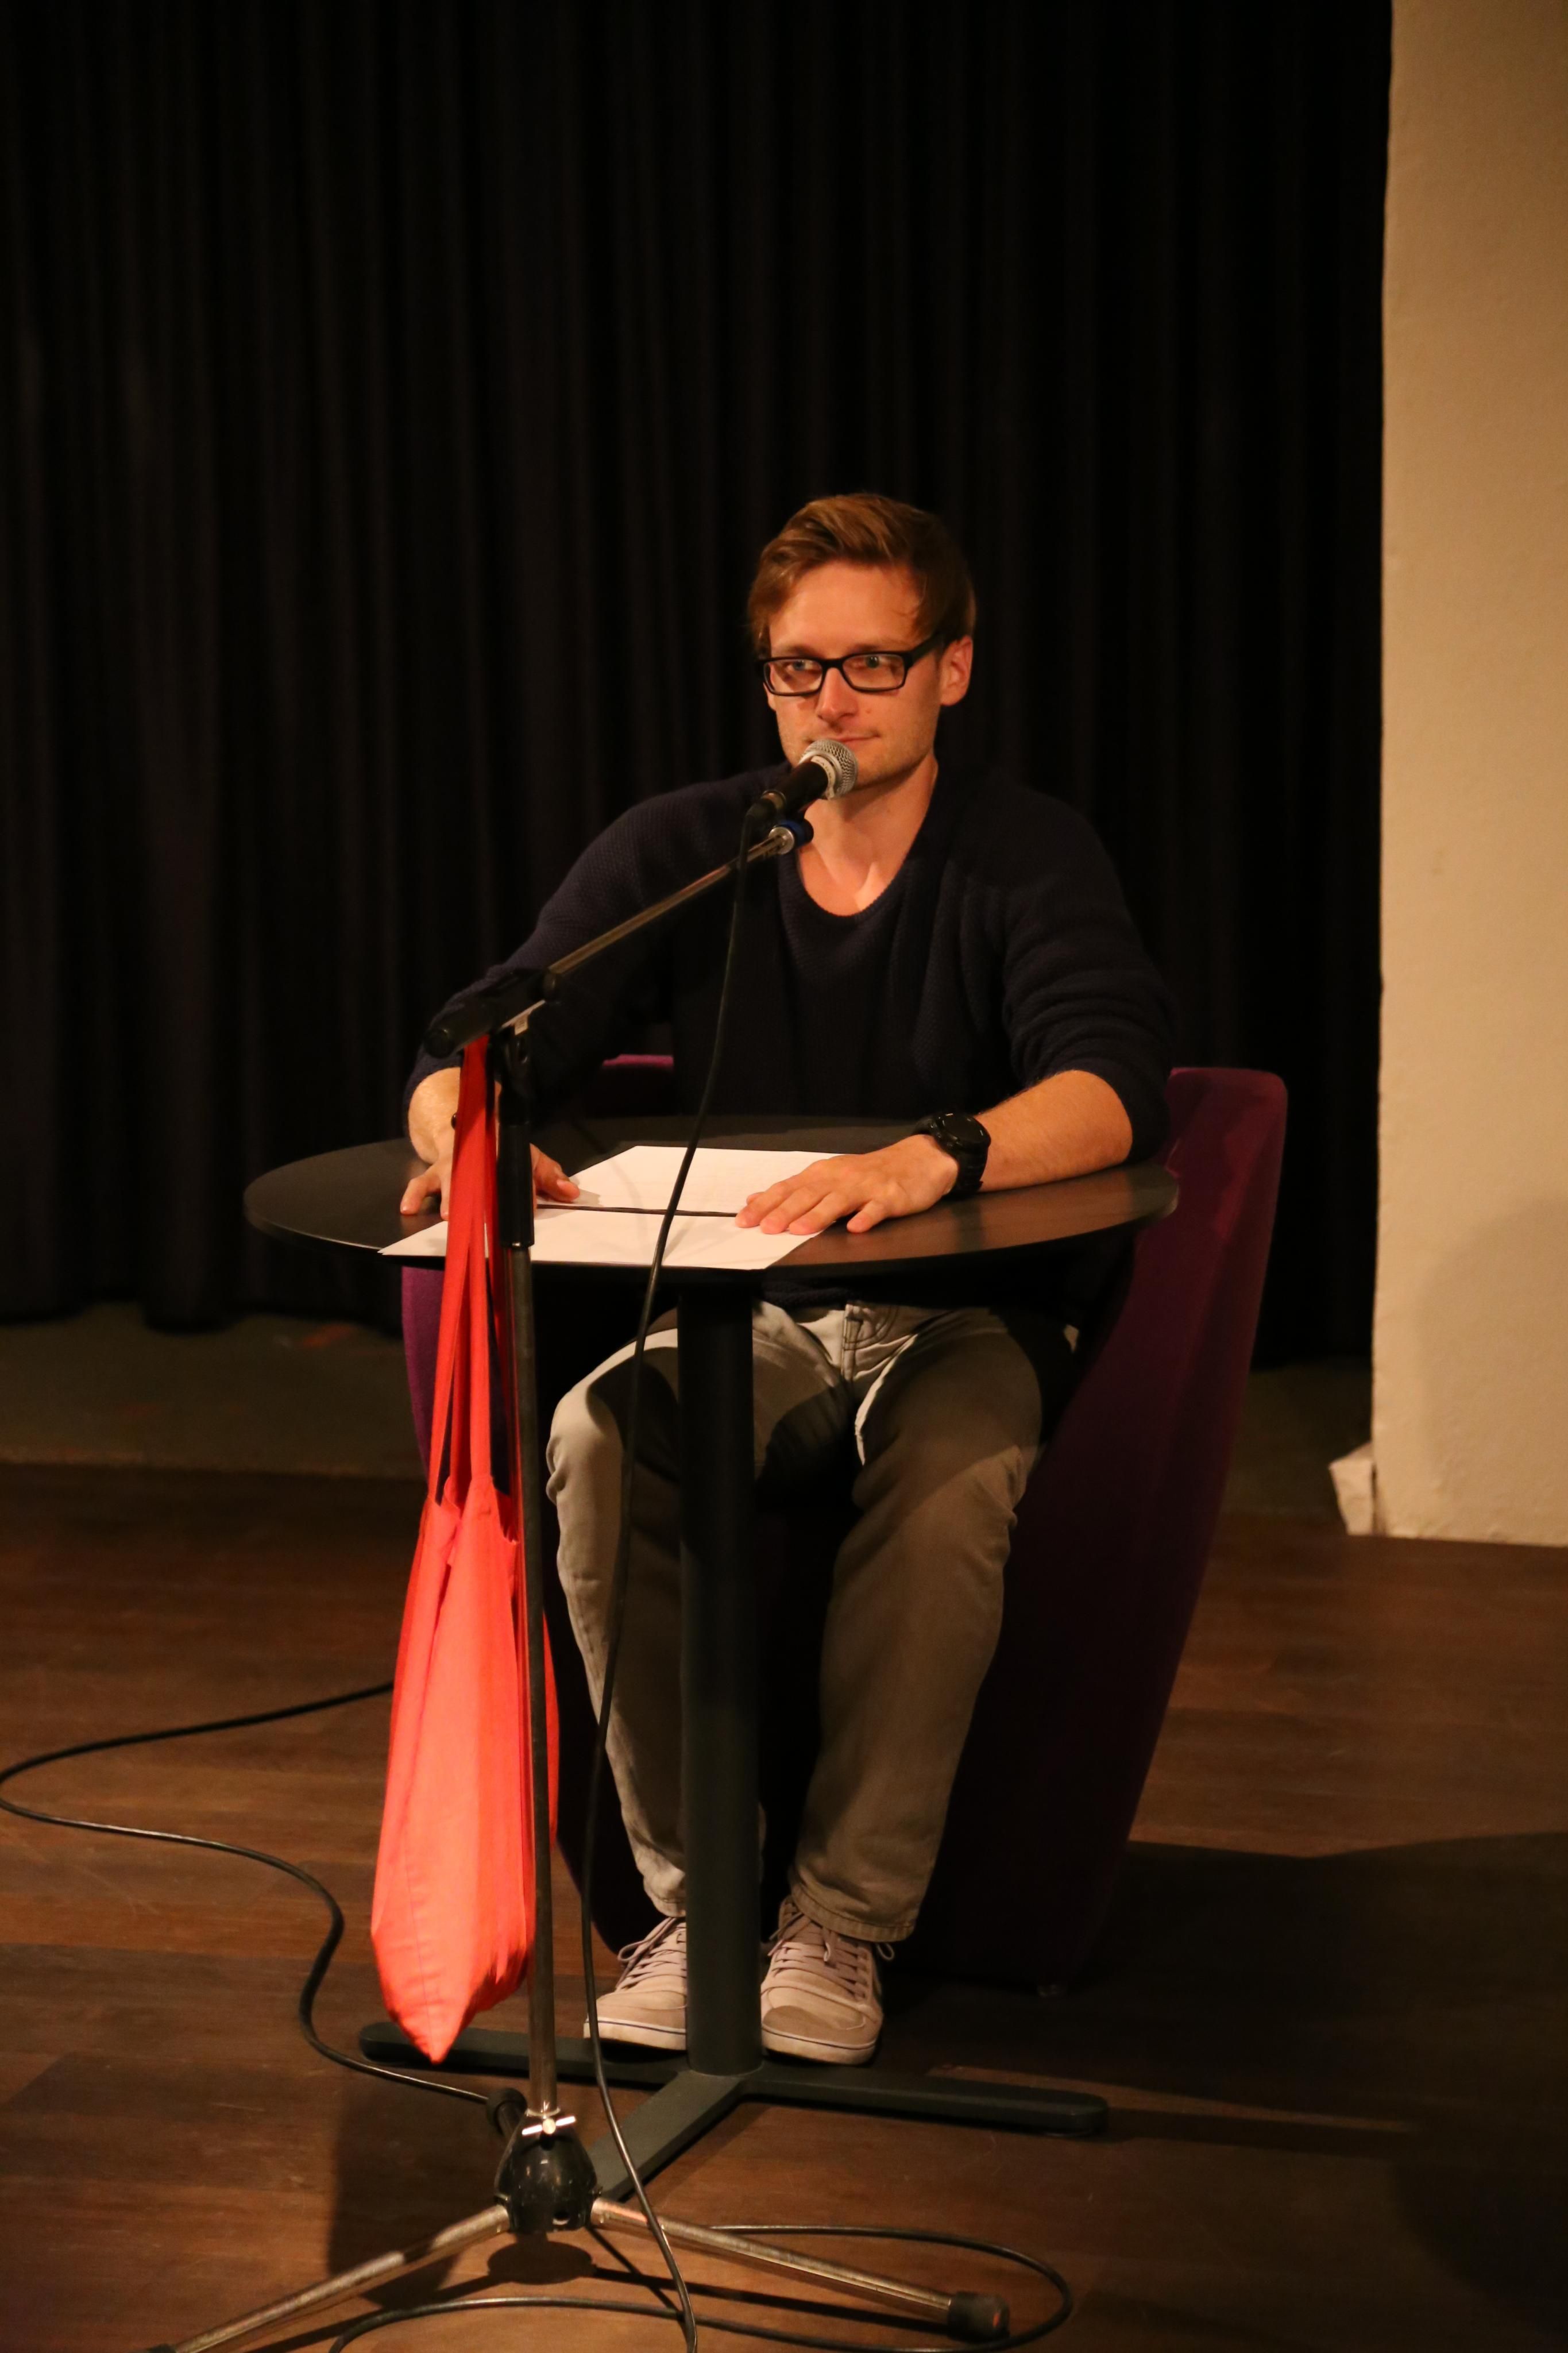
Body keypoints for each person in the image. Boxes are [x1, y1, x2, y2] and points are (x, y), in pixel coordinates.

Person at [401, 493, 1173, 2066]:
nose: (833, 702)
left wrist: (937, 1154)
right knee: (593, 1439)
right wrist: (467, 1133)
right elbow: (485, 1036)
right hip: (750, 1317)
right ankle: (700, 1912)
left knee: (950, 1480)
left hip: (969, 1313)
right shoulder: (698, 846)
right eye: (798, 669)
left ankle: (840, 1924)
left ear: (953, 669)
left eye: (874, 665)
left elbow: (1114, 1086)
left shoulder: (1024, 855)